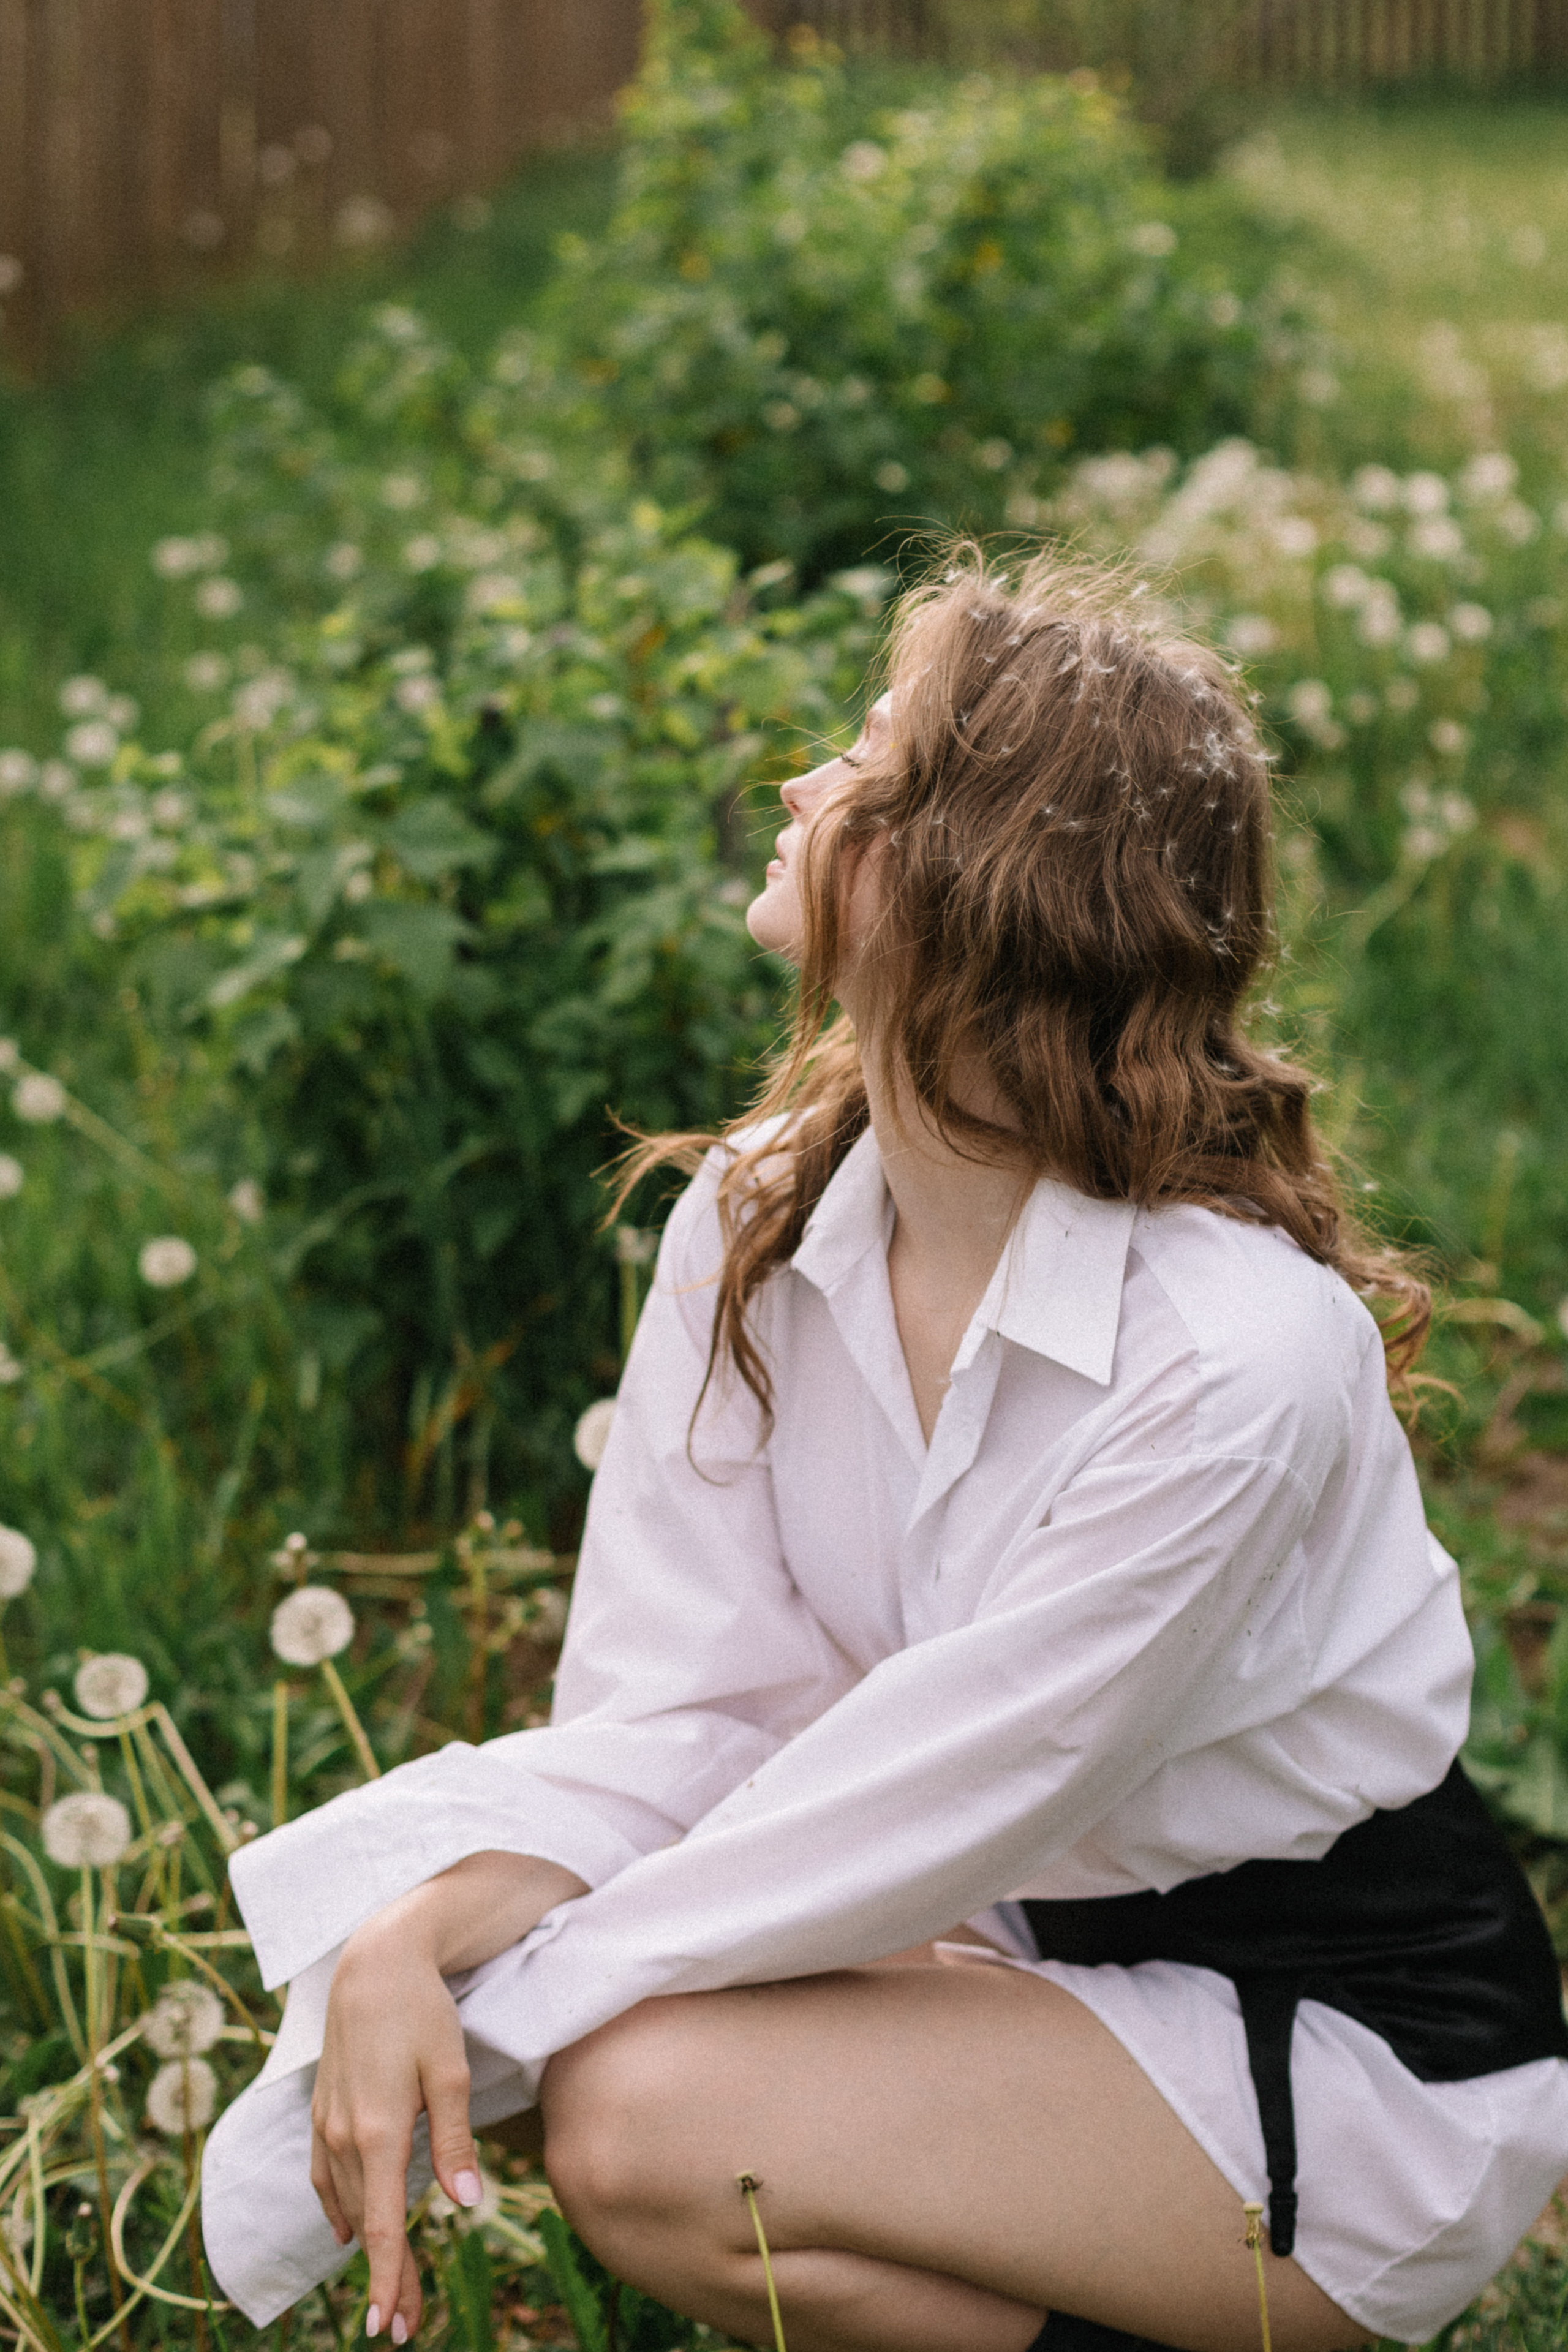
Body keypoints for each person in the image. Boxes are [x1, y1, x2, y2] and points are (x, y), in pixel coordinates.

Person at [203, 552, 1568, 2352]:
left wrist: (488, 2014)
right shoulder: (763, 1220)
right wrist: (403, 1935)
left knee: (640, 2118)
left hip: (1338, 2038)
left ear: (982, 873)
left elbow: (917, 1805)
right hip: (1002, 1941)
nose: (799, 787)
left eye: (867, 761)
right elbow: (695, 1712)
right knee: (638, 2092)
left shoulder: (1229, 1360)